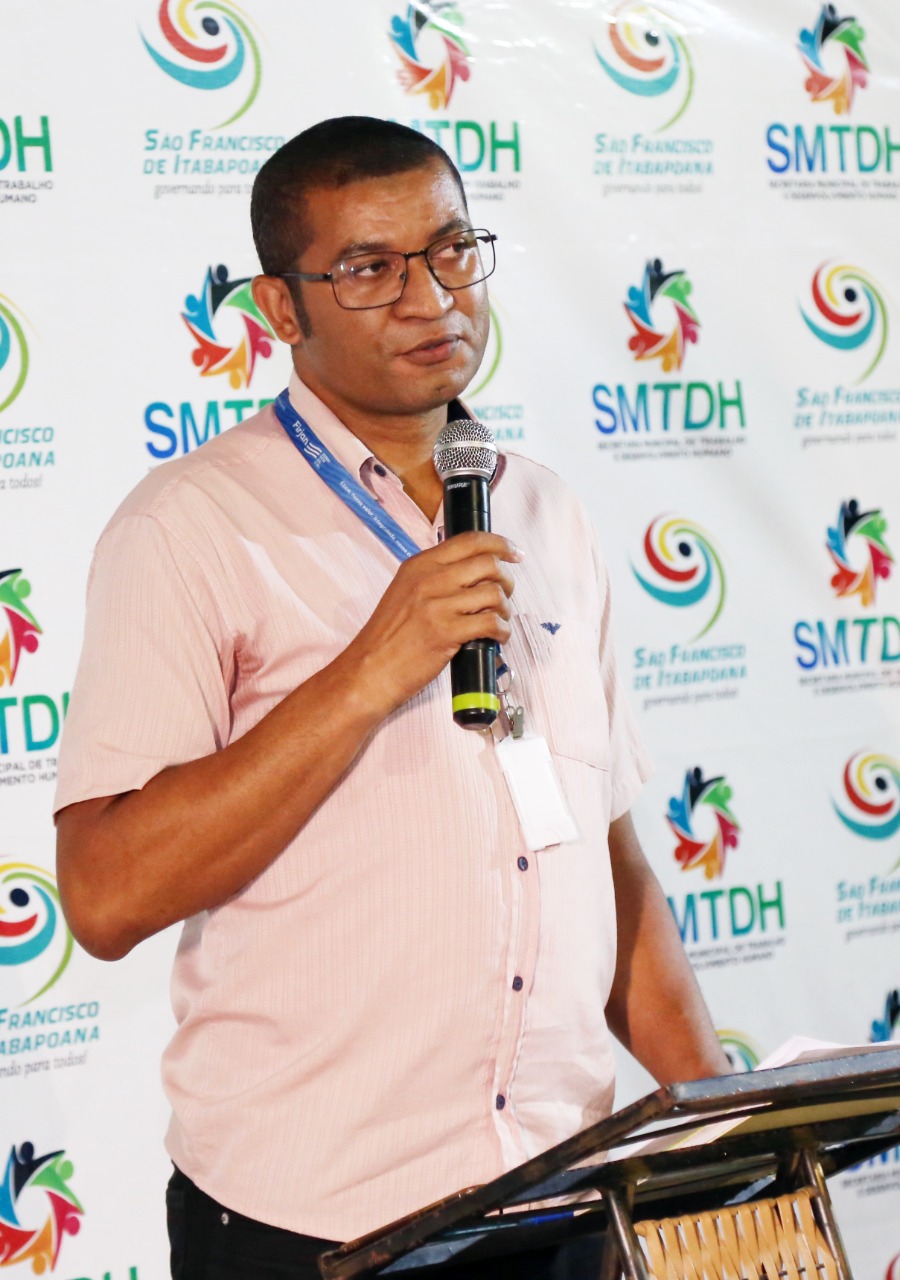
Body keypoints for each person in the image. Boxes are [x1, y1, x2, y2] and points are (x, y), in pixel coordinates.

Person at [54, 116, 730, 1279]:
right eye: (370, 268)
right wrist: (372, 668)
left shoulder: (546, 511)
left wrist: (723, 1129)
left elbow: (610, 870)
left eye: (453, 248)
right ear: (282, 307)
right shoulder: (190, 526)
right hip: (314, 1221)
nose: (433, 297)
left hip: (565, 1197)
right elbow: (107, 895)